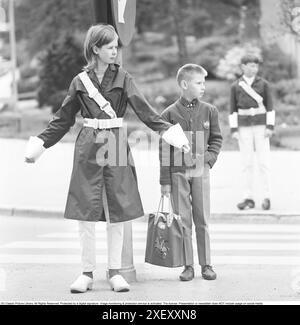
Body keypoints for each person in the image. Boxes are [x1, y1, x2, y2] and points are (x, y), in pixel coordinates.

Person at [25, 24, 189, 293]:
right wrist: (40, 145)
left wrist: (173, 135)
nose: (115, 50)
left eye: (116, 46)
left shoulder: (124, 78)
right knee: (85, 212)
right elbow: (63, 119)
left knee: (118, 210)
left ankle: (115, 272)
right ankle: (86, 273)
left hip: (115, 143)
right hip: (88, 145)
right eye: (110, 46)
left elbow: (146, 113)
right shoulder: (79, 82)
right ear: (95, 49)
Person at [159, 64, 222, 281]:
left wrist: (208, 160)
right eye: (199, 82)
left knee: (202, 219)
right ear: (185, 84)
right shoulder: (168, 114)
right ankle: (188, 265)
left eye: (204, 82)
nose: (203, 86)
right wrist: (165, 181)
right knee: (183, 220)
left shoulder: (209, 111)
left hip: (200, 172)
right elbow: (164, 150)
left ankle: (206, 264)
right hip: (177, 174)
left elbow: (216, 140)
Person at [229, 54, 275, 210]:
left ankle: (267, 196)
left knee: (264, 162)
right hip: (243, 127)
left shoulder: (264, 84)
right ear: (243, 66)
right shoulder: (236, 86)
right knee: (246, 163)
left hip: (261, 126)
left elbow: (270, 107)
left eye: (255, 65)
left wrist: (270, 126)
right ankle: (248, 197)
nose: (253, 68)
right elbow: (232, 110)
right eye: (250, 65)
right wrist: (234, 129)